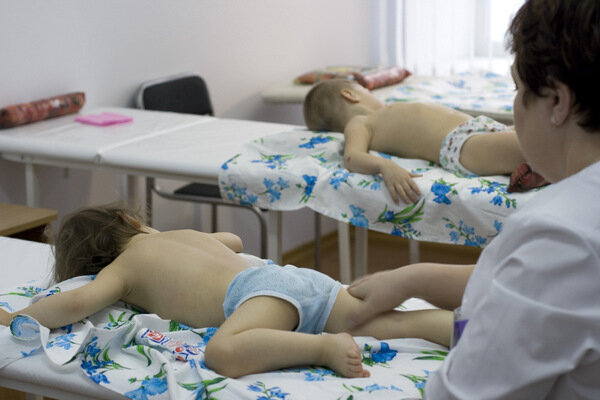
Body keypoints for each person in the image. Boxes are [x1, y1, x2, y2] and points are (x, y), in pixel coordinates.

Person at [345, 0, 600, 398]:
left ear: (557, 102)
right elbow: (530, 280)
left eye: (517, 89)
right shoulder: (561, 242)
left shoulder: (560, 235)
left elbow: (460, 392)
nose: (515, 105)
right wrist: (413, 278)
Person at [0, 205, 452, 379]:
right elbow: (234, 241)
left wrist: (17, 315)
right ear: (132, 222)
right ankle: (457, 326)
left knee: (222, 352)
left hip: (257, 295)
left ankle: (323, 348)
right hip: (298, 281)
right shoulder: (178, 236)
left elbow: (79, 301)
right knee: (393, 324)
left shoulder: (123, 270)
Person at [303, 74, 548, 204]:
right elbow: (352, 157)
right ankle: (540, 168)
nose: (373, 95)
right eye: (366, 91)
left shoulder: (384, 112)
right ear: (350, 95)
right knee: (543, 146)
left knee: (540, 134)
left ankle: (534, 171)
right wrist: (385, 167)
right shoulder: (360, 122)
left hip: (478, 129)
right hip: (461, 145)